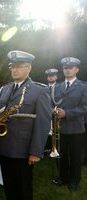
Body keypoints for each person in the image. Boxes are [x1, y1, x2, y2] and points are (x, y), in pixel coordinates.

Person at [0, 50, 52, 200]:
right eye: (12, 66)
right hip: (4, 146)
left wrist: (36, 152)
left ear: (28, 68)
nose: (14, 69)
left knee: (23, 190)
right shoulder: (4, 89)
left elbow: (43, 123)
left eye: (19, 66)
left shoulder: (39, 90)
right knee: (9, 188)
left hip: (23, 150)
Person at [52, 57, 87, 192]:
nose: (67, 69)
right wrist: (53, 111)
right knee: (61, 155)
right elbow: (51, 104)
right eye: (65, 67)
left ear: (77, 69)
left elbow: (85, 108)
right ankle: (63, 177)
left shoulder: (83, 86)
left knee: (75, 156)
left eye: (70, 67)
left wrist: (67, 113)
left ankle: (74, 180)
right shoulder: (57, 86)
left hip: (76, 128)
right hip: (59, 128)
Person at [44, 68, 59, 152]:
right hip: (45, 113)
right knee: (45, 130)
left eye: (52, 76)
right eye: (49, 76)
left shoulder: (60, 87)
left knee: (56, 132)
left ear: (56, 77)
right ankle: (47, 148)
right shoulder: (43, 88)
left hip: (56, 113)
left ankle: (55, 148)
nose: (50, 78)